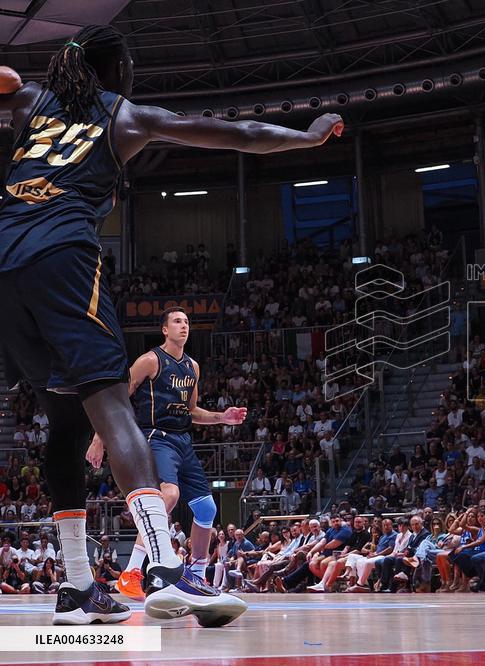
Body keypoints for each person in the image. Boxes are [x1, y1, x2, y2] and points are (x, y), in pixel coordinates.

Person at [0, 25, 341, 625]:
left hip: (4, 260)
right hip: (61, 253)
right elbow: (235, 133)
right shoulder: (125, 116)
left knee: (64, 420)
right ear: (119, 73)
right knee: (111, 407)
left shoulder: (31, 100)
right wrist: (306, 137)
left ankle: (78, 588)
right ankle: (163, 570)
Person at [87, 307, 246, 619]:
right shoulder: (150, 360)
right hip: (155, 436)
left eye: (186, 322)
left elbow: (193, 411)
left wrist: (221, 418)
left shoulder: (193, 367)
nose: (184, 326)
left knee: (207, 509)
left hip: (182, 439)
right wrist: (99, 438)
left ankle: (197, 575)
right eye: (177, 321)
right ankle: (132, 570)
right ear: (164, 329)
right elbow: (118, 397)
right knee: (169, 494)